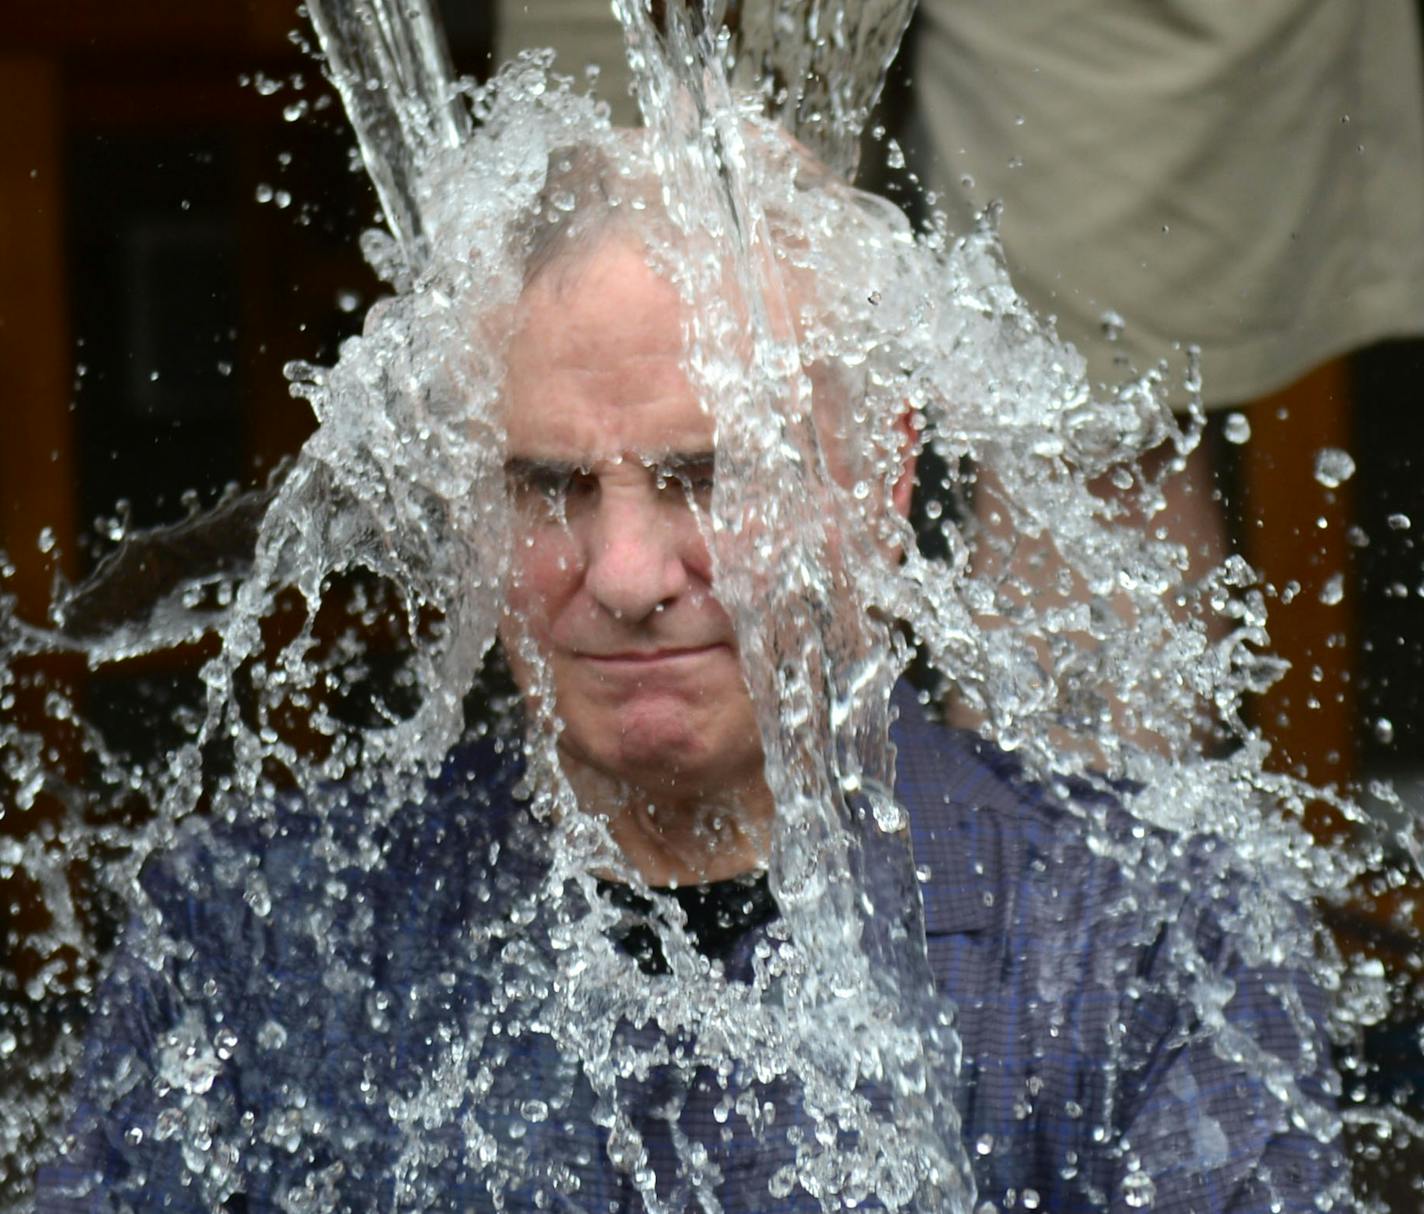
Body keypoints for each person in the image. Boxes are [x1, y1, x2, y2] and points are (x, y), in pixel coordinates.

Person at [34, 141, 1348, 1213]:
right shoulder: (257, 941)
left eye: (709, 476)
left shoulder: (1151, 949)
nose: (623, 570)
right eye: (550, 485)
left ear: (880, 481)